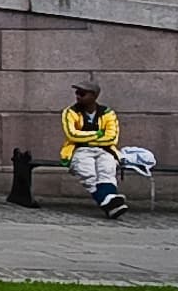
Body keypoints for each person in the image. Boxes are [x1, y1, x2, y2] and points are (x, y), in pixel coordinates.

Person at [59, 80, 157, 219]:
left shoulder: (107, 113)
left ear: (93, 96)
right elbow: (72, 134)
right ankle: (109, 201)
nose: (78, 96)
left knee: (108, 169)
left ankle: (109, 204)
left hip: (105, 149)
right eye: (77, 93)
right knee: (87, 173)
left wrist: (87, 138)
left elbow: (112, 138)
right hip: (79, 150)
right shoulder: (70, 112)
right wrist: (98, 134)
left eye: (82, 93)